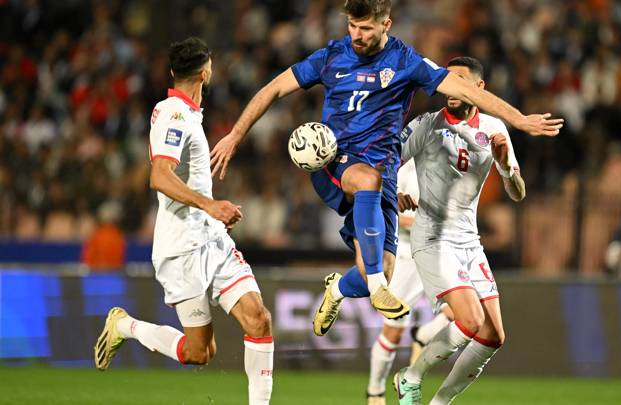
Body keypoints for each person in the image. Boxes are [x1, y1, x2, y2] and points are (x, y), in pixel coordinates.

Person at [210, 0, 562, 336]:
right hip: (336, 162)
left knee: (378, 266)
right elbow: (273, 89)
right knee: (367, 183)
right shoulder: (331, 56)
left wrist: (518, 119)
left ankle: (341, 288)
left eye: (365, 28)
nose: (357, 35)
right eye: (352, 26)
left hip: (383, 174)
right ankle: (378, 287)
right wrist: (234, 136)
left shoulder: (406, 61)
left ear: (386, 25)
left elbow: (466, 91)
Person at [93, 37, 274, 405]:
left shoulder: (187, 114)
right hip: (182, 249)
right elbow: (159, 175)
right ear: (206, 72)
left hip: (212, 241)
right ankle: (125, 326)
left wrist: (211, 215)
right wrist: (211, 205)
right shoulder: (174, 114)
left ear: (174, 72)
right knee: (199, 353)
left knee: (259, 319)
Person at [392, 56, 526, 405]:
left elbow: (517, 192)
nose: (448, 87)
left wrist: (506, 168)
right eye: (445, 79)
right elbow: (384, 164)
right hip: (432, 237)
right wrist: (393, 193)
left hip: (468, 240)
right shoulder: (425, 125)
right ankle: (410, 377)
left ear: (478, 88)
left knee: (494, 335)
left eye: (458, 80)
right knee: (469, 320)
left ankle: (440, 402)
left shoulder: (495, 129)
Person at [366, 158, 453, 405]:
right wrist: (420, 223)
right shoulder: (405, 166)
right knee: (392, 332)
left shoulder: (447, 163)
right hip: (406, 254)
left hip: (436, 253)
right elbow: (387, 208)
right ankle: (375, 392)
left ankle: (424, 335)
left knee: (462, 312)